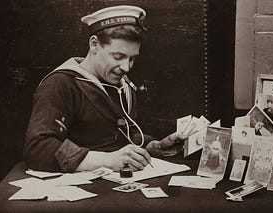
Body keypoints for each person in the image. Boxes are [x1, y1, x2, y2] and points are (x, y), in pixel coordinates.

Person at [23, 5, 187, 173]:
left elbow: (116, 137)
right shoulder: (60, 84)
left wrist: (151, 147)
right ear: (94, 44)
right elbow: (38, 149)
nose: (126, 67)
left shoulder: (121, 84)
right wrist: (108, 160)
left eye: (132, 59)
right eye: (118, 57)